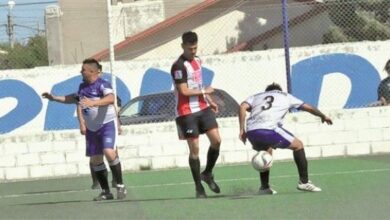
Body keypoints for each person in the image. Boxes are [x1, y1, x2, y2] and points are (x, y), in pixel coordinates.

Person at [42, 58, 127, 201]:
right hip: (92, 128)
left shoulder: (102, 84)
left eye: (83, 69)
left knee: (109, 151)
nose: (81, 71)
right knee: (95, 160)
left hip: (106, 124)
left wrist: (94, 103)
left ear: (92, 72)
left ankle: (120, 185)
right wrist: (54, 98)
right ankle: (106, 191)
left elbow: (110, 98)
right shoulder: (82, 87)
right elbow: (73, 98)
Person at [238, 83, 333, 195]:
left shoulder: (256, 96)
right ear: (279, 90)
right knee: (298, 145)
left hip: (252, 131)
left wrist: (242, 130)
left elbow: (242, 107)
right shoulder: (286, 96)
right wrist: (323, 116)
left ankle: (264, 187)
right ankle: (304, 182)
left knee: (266, 150)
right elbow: (308, 107)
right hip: (269, 129)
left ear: (267, 91)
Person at [171, 31, 221, 198]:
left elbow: (199, 84)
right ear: (183, 46)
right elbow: (184, 91)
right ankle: (199, 187)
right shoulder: (178, 66)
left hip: (203, 107)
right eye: (190, 48)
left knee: (216, 140)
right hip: (186, 112)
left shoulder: (198, 61)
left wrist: (209, 99)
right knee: (195, 149)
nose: (193, 51)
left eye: (195, 47)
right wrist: (203, 91)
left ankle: (207, 173)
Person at [78, 95, 122, 190]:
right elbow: (79, 107)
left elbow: (112, 105)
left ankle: (116, 180)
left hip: (107, 127)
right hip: (92, 128)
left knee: (112, 151)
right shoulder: (83, 92)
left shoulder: (103, 90)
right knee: (94, 156)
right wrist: (81, 123)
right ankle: (97, 181)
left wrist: (117, 124)